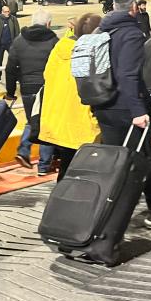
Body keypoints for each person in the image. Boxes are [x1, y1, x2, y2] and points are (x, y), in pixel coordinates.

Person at [96, 0, 151, 229]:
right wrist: (137, 111)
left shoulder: (101, 30)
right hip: (126, 109)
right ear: (133, 7)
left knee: (114, 161)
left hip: (104, 105)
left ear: (114, 7)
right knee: (144, 161)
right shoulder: (131, 33)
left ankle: (103, 212)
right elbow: (127, 74)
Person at [39, 13, 102, 180]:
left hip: (60, 119)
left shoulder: (59, 49)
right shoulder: (92, 54)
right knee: (86, 174)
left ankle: (61, 199)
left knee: (66, 168)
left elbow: (47, 76)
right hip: (84, 122)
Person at [5, 9, 59, 174]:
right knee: (46, 124)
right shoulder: (54, 41)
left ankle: (23, 151)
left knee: (31, 121)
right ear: (48, 23)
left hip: (27, 88)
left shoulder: (19, 41)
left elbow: (10, 68)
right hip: (47, 88)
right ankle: (43, 166)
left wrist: (10, 90)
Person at [0, 4, 19, 83]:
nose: (7, 13)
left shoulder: (13, 19)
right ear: (2, 12)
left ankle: (16, 76)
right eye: (5, 12)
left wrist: (16, 43)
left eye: (8, 11)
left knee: (14, 60)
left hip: (10, 44)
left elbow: (17, 31)